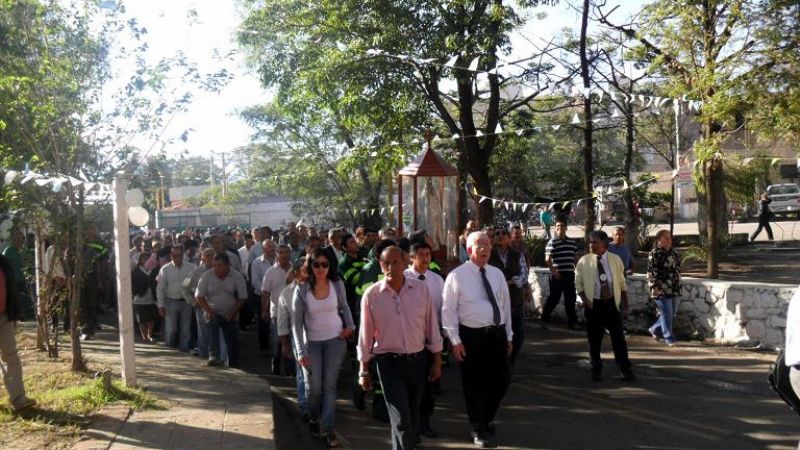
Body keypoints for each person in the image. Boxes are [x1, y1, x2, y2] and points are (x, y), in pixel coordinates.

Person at [359, 246, 443, 450]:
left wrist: (437, 361)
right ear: (380, 265)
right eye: (386, 263)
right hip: (389, 364)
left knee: (411, 419)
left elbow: (432, 327)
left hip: (418, 362)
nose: (390, 267)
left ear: (405, 262)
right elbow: (365, 335)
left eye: (395, 262)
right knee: (401, 420)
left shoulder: (421, 289)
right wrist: (363, 370)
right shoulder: (372, 295)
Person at [442, 231, 512, 448]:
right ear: (470, 249)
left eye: (488, 244)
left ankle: (486, 417)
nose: (485, 248)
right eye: (480, 244)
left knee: (502, 380)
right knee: (474, 383)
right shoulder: (457, 276)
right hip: (471, 336)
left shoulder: (496, 273)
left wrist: (509, 335)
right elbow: (448, 311)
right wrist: (455, 340)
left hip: (497, 333)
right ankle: (477, 427)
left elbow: (505, 305)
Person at [292, 247, 355, 448]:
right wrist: (301, 352)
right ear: (310, 266)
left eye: (325, 264)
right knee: (314, 388)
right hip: (312, 344)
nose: (321, 268)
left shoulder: (337, 284)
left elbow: (345, 306)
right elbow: (296, 324)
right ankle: (313, 417)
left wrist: (350, 326)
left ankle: (328, 430)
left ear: (330, 266)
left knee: (329, 387)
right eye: (316, 264)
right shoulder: (302, 289)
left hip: (335, 341)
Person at [575, 230, 635, 382]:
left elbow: (622, 283)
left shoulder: (615, 260)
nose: (591, 245)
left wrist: (625, 304)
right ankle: (596, 369)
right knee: (594, 341)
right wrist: (585, 300)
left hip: (611, 304)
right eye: (590, 242)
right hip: (593, 305)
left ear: (603, 243)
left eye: (594, 242)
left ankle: (625, 369)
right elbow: (578, 284)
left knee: (619, 339)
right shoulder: (583, 261)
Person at [404, 242, 445, 439]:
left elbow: (443, 308)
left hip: (431, 338)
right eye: (420, 254)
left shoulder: (437, 280)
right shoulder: (403, 278)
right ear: (411, 257)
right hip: (410, 339)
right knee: (411, 386)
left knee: (428, 385)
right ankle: (410, 426)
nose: (425, 258)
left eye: (428, 254)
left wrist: (444, 335)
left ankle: (425, 423)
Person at [195, 252, 249, 367]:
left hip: (231, 313)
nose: (216, 268)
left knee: (232, 342)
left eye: (219, 266)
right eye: (214, 265)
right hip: (212, 312)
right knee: (212, 327)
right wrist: (208, 311)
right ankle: (214, 356)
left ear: (227, 265)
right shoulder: (206, 276)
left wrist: (233, 312)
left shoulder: (237, 276)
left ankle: (234, 365)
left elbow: (243, 297)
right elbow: (199, 296)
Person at [0, 253, 35, 411]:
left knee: (11, 357)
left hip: (4, 317)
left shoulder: (4, 263)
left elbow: (11, 289)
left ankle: (19, 398)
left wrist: (14, 312)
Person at [277, 259, 309, 422]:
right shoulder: (286, 293)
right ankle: (305, 406)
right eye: (306, 270)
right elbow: (282, 322)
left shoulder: (320, 288)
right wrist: (285, 344)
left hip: (319, 336)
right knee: (303, 373)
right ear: (296, 273)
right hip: (298, 338)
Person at [488, 228, 526, 366]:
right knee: (499, 336)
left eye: (504, 233)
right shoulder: (489, 255)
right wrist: (508, 282)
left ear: (509, 238)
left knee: (519, 336)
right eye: (497, 233)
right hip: (496, 303)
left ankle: (510, 362)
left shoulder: (517, 254)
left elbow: (524, 275)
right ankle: (500, 364)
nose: (500, 236)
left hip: (515, 301)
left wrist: (508, 282)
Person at [156, 244, 197, 352]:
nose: (177, 258)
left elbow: (195, 285)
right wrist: (160, 306)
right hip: (171, 301)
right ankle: (170, 349)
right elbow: (160, 288)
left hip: (186, 302)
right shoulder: (165, 269)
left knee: (185, 329)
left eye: (179, 255)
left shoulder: (191, 267)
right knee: (171, 329)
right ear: (171, 255)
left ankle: (184, 350)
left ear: (183, 255)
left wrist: (194, 300)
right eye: (174, 256)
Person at [540, 220, 579, 330]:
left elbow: (575, 258)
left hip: (569, 274)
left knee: (570, 299)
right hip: (557, 275)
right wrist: (554, 272)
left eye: (562, 226)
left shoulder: (572, 242)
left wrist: (578, 270)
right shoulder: (552, 242)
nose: (560, 228)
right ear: (555, 228)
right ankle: (544, 319)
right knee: (553, 299)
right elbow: (547, 259)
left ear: (566, 228)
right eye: (557, 226)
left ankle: (572, 323)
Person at [261, 244, 293, 375]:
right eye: (281, 252)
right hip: (276, 312)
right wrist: (264, 310)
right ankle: (276, 366)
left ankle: (290, 369)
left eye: (286, 252)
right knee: (277, 341)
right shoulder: (270, 272)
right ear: (276, 254)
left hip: (293, 312)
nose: (284, 255)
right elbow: (265, 293)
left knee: (291, 341)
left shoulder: (295, 270)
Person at [647, 230, 681, 346]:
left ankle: (654, 329)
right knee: (667, 313)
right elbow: (651, 272)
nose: (668, 240)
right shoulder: (654, 253)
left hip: (674, 288)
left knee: (671, 313)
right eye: (665, 238)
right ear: (659, 240)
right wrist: (655, 287)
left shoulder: (674, 253)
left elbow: (677, 269)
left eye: (669, 238)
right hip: (660, 289)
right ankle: (669, 338)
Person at [183, 248, 214, 359]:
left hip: (215, 305)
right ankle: (203, 354)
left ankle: (215, 354)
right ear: (202, 258)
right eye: (208, 255)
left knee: (215, 331)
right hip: (200, 305)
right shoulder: (196, 271)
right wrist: (192, 302)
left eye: (212, 255)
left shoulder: (219, 270)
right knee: (202, 330)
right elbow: (184, 287)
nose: (210, 257)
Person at [131, 252, 158, 343]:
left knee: (151, 318)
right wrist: (136, 292)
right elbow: (132, 284)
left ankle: (150, 335)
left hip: (151, 298)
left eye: (146, 258)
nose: (145, 259)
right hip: (140, 298)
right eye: (143, 258)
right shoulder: (135, 271)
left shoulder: (152, 270)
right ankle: (144, 337)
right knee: (142, 319)